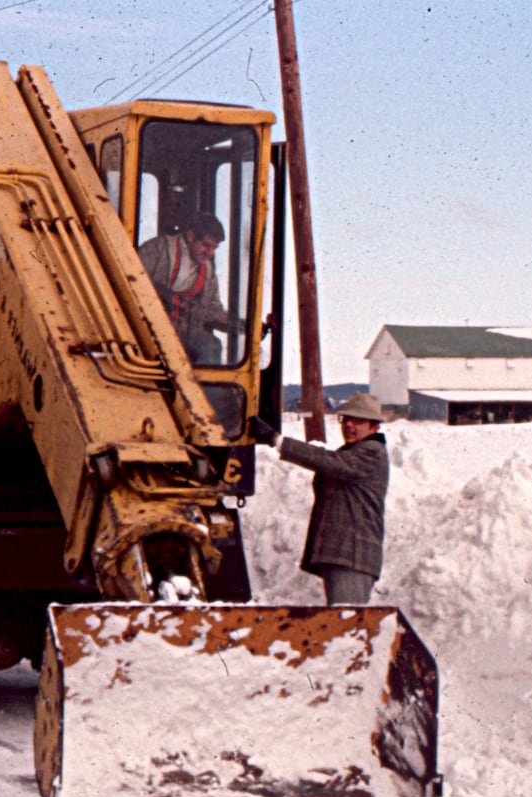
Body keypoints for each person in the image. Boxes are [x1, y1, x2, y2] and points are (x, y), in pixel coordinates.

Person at [252, 393, 389, 605]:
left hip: (353, 556)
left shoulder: (371, 452)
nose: (350, 425)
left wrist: (276, 440)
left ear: (374, 427)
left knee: (347, 625)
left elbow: (327, 461)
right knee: (342, 624)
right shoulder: (352, 453)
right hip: (343, 556)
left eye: (359, 421)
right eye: (346, 419)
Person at [137, 212, 236, 364]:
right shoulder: (157, 250)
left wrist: (245, 327)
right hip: (145, 328)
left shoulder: (207, 271)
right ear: (190, 237)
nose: (210, 253)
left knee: (211, 346)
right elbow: (131, 283)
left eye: (214, 248)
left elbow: (212, 311)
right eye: (206, 245)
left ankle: (203, 387)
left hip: (182, 334)